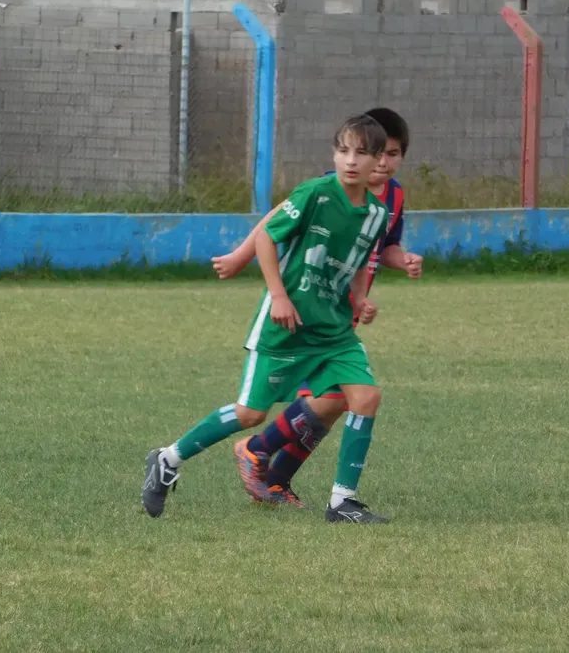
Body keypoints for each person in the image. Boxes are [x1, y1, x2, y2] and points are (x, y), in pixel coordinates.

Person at [141, 113, 393, 524]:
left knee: (366, 397)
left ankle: (342, 503)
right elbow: (266, 236)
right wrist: (278, 295)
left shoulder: (377, 214)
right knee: (250, 414)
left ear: (377, 161)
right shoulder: (315, 193)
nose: (351, 160)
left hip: (333, 330)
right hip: (286, 325)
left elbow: (360, 259)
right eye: (343, 150)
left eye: (362, 153)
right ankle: (168, 458)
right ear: (334, 153)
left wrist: (361, 297)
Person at [212, 108, 422, 508]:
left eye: (392, 155)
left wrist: (404, 259)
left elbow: (383, 247)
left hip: (340, 316)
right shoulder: (335, 187)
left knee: (335, 403)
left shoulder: (392, 198)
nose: (382, 162)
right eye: (378, 153)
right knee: (329, 399)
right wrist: (240, 255)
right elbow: (276, 220)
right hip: (308, 311)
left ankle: (275, 478)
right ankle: (257, 450)